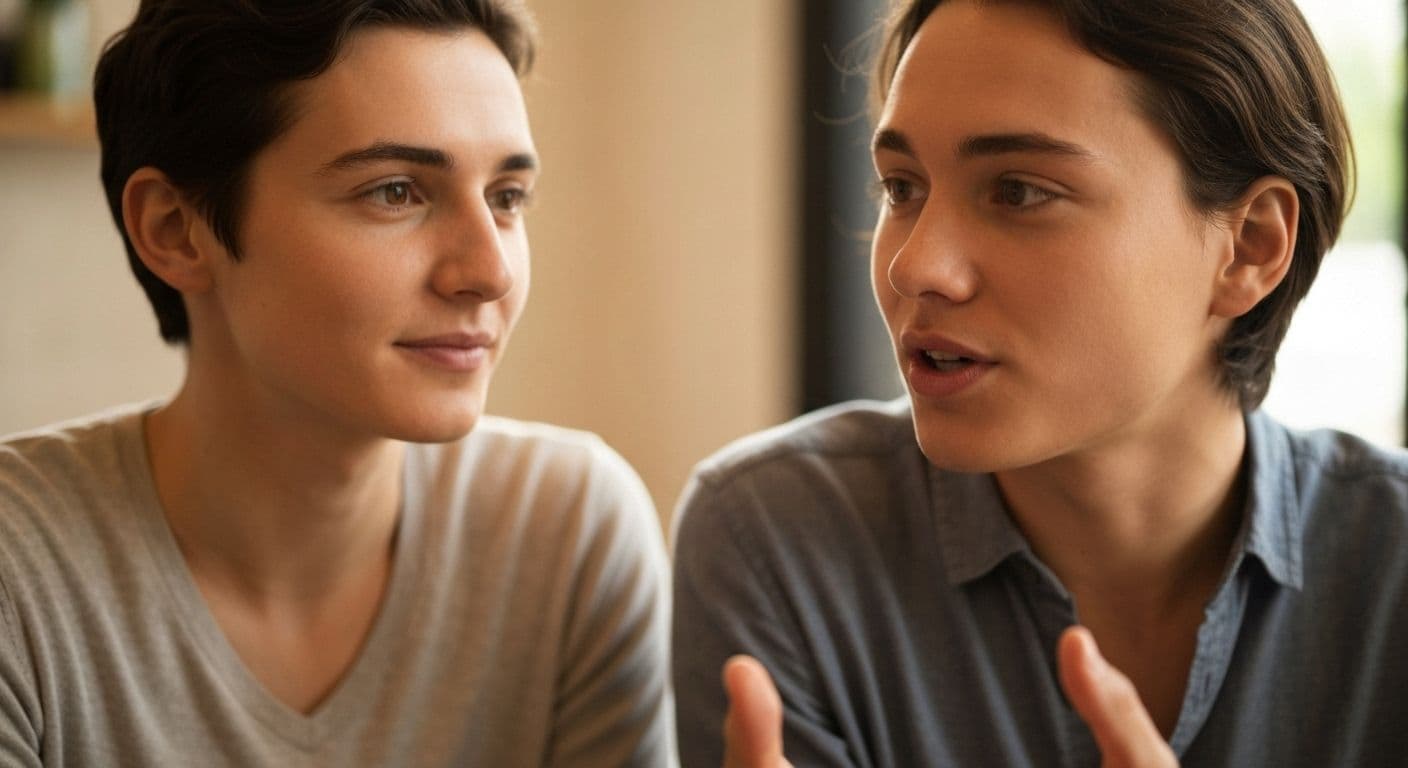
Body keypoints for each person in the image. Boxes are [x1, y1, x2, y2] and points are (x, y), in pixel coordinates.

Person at [672, 0, 1408, 765]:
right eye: (902, 187)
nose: (914, 266)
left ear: (1250, 247)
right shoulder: (779, 539)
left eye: (1018, 191)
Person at [0, 1, 673, 765]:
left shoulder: (565, 531)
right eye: (395, 192)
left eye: (506, 197)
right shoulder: (20, 574)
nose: (489, 273)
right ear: (175, 230)